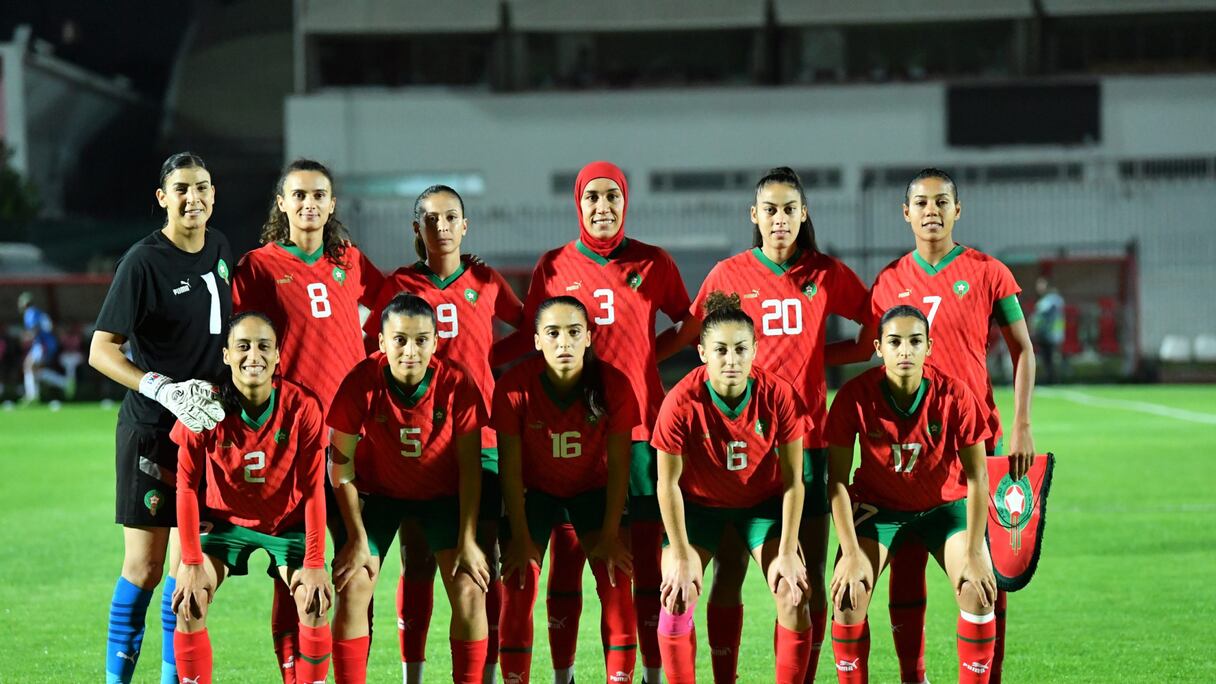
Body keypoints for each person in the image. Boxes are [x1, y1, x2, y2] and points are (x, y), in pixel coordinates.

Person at [835, 168, 1036, 683]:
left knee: (985, 565)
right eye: (921, 203)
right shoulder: (888, 279)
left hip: (973, 435)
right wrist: (795, 357)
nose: (932, 211)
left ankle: (990, 674)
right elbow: (865, 347)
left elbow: (1023, 350)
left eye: (942, 201)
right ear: (906, 213)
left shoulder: (988, 271)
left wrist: (1021, 424)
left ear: (957, 209)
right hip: (906, 437)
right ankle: (914, 675)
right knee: (905, 559)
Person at [512, 160, 696, 684]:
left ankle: (652, 673)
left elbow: (689, 324)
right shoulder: (553, 264)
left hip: (640, 433)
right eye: (591, 197)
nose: (602, 206)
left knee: (641, 565)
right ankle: (564, 675)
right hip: (573, 432)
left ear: (625, 202)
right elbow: (532, 337)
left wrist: (647, 358)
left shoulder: (653, 262)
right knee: (567, 562)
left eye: (612, 196)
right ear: (578, 203)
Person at [689, 166, 870, 682]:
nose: (780, 219)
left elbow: (871, 333)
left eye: (790, 209)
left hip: (807, 444)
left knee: (805, 575)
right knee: (729, 569)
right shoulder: (728, 275)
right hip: (740, 445)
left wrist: (820, 357)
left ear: (803, 213)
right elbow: (696, 338)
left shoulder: (826, 273)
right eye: (770, 210)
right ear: (754, 215)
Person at [363, 185, 524, 684]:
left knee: (484, 560)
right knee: (417, 559)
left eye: (451, 217)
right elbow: (373, 345)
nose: (442, 226)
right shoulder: (400, 284)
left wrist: (488, 363)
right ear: (417, 228)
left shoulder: (485, 279)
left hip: (482, 437)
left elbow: (528, 328)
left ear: (465, 225)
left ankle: (486, 673)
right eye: (431, 219)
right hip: (420, 441)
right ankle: (412, 674)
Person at [232, 158, 383, 681]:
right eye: (298, 195)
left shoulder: (350, 260)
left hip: (354, 438)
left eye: (319, 195)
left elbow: (395, 305)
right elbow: (238, 345)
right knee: (294, 572)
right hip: (290, 440)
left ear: (332, 203)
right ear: (282, 203)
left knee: (358, 571)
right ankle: (296, 674)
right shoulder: (258, 266)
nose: (309, 204)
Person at [89, 151, 232, 684]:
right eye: (182, 189)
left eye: (202, 187)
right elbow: (101, 350)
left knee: (186, 572)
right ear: (163, 198)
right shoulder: (142, 262)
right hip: (152, 432)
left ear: (213, 194)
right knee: (145, 568)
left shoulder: (220, 247)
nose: (193, 198)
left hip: (206, 432)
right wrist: (161, 388)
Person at [824, 305, 997, 683]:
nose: (905, 350)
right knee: (848, 596)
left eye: (915, 341)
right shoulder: (854, 396)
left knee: (978, 590)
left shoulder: (955, 394)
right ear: (878, 348)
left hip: (943, 508)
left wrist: (974, 552)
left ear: (929, 347)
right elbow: (836, 481)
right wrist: (850, 553)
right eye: (895, 342)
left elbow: (978, 476)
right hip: (879, 510)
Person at [326, 292, 490, 683]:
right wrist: (356, 537)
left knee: (470, 590)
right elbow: (340, 465)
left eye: (421, 340)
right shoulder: (361, 381)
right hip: (378, 496)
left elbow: (471, 469)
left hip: (441, 497)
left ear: (435, 342)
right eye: (400, 340)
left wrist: (468, 540)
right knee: (353, 584)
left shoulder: (457, 382)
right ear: (382, 342)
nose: (410, 350)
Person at [652, 292, 813, 684]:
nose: (731, 359)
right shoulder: (680, 402)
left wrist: (788, 551)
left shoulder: (778, 395)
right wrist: (681, 555)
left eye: (741, 349)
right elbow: (667, 484)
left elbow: (794, 480)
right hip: (698, 510)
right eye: (720, 350)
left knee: (793, 592)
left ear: (755, 350)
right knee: (677, 595)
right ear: (702, 353)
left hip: (761, 508)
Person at [169, 312, 331, 683]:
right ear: (226, 355)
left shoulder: (302, 406)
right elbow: (186, 486)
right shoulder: (203, 406)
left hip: (285, 524)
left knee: (315, 601)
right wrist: (190, 562)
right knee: (189, 603)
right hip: (225, 525)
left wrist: (314, 561)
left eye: (263, 346)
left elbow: (313, 488)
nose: (253, 355)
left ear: (278, 356)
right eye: (242, 346)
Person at [495, 296, 639, 683]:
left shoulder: (613, 385)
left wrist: (610, 534)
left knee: (616, 580)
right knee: (519, 583)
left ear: (589, 337)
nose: (564, 342)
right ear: (537, 340)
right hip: (535, 495)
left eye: (574, 332)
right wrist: (520, 538)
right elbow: (510, 471)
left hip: (593, 492)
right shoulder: (514, 387)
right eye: (553, 333)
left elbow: (619, 469)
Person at [17, 291, 73, 402]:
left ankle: (32, 396)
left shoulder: (30, 313)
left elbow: (35, 330)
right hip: (47, 344)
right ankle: (64, 383)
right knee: (36, 370)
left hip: (42, 345)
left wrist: (26, 337)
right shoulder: (38, 312)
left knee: (29, 366)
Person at [1031, 277, 1065, 384]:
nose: (1039, 288)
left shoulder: (1052, 300)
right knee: (1046, 358)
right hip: (1043, 334)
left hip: (1052, 334)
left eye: (1041, 285)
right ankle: (1049, 377)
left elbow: (1043, 315)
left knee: (1052, 357)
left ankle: (1054, 379)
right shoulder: (1044, 300)